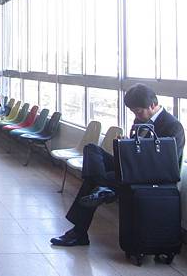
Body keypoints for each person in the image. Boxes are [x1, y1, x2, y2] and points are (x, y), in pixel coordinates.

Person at [51, 83, 185, 247]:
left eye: (138, 111)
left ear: (152, 105)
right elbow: (136, 147)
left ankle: (79, 231)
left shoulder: (173, 126)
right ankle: (101, 186)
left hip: (149, 175)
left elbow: (167, 162)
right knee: (92, 149)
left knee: (91, 182)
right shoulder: (139, 119)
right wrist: (124, 144)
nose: (136, 115)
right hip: (130, 167)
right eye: (133, 111)